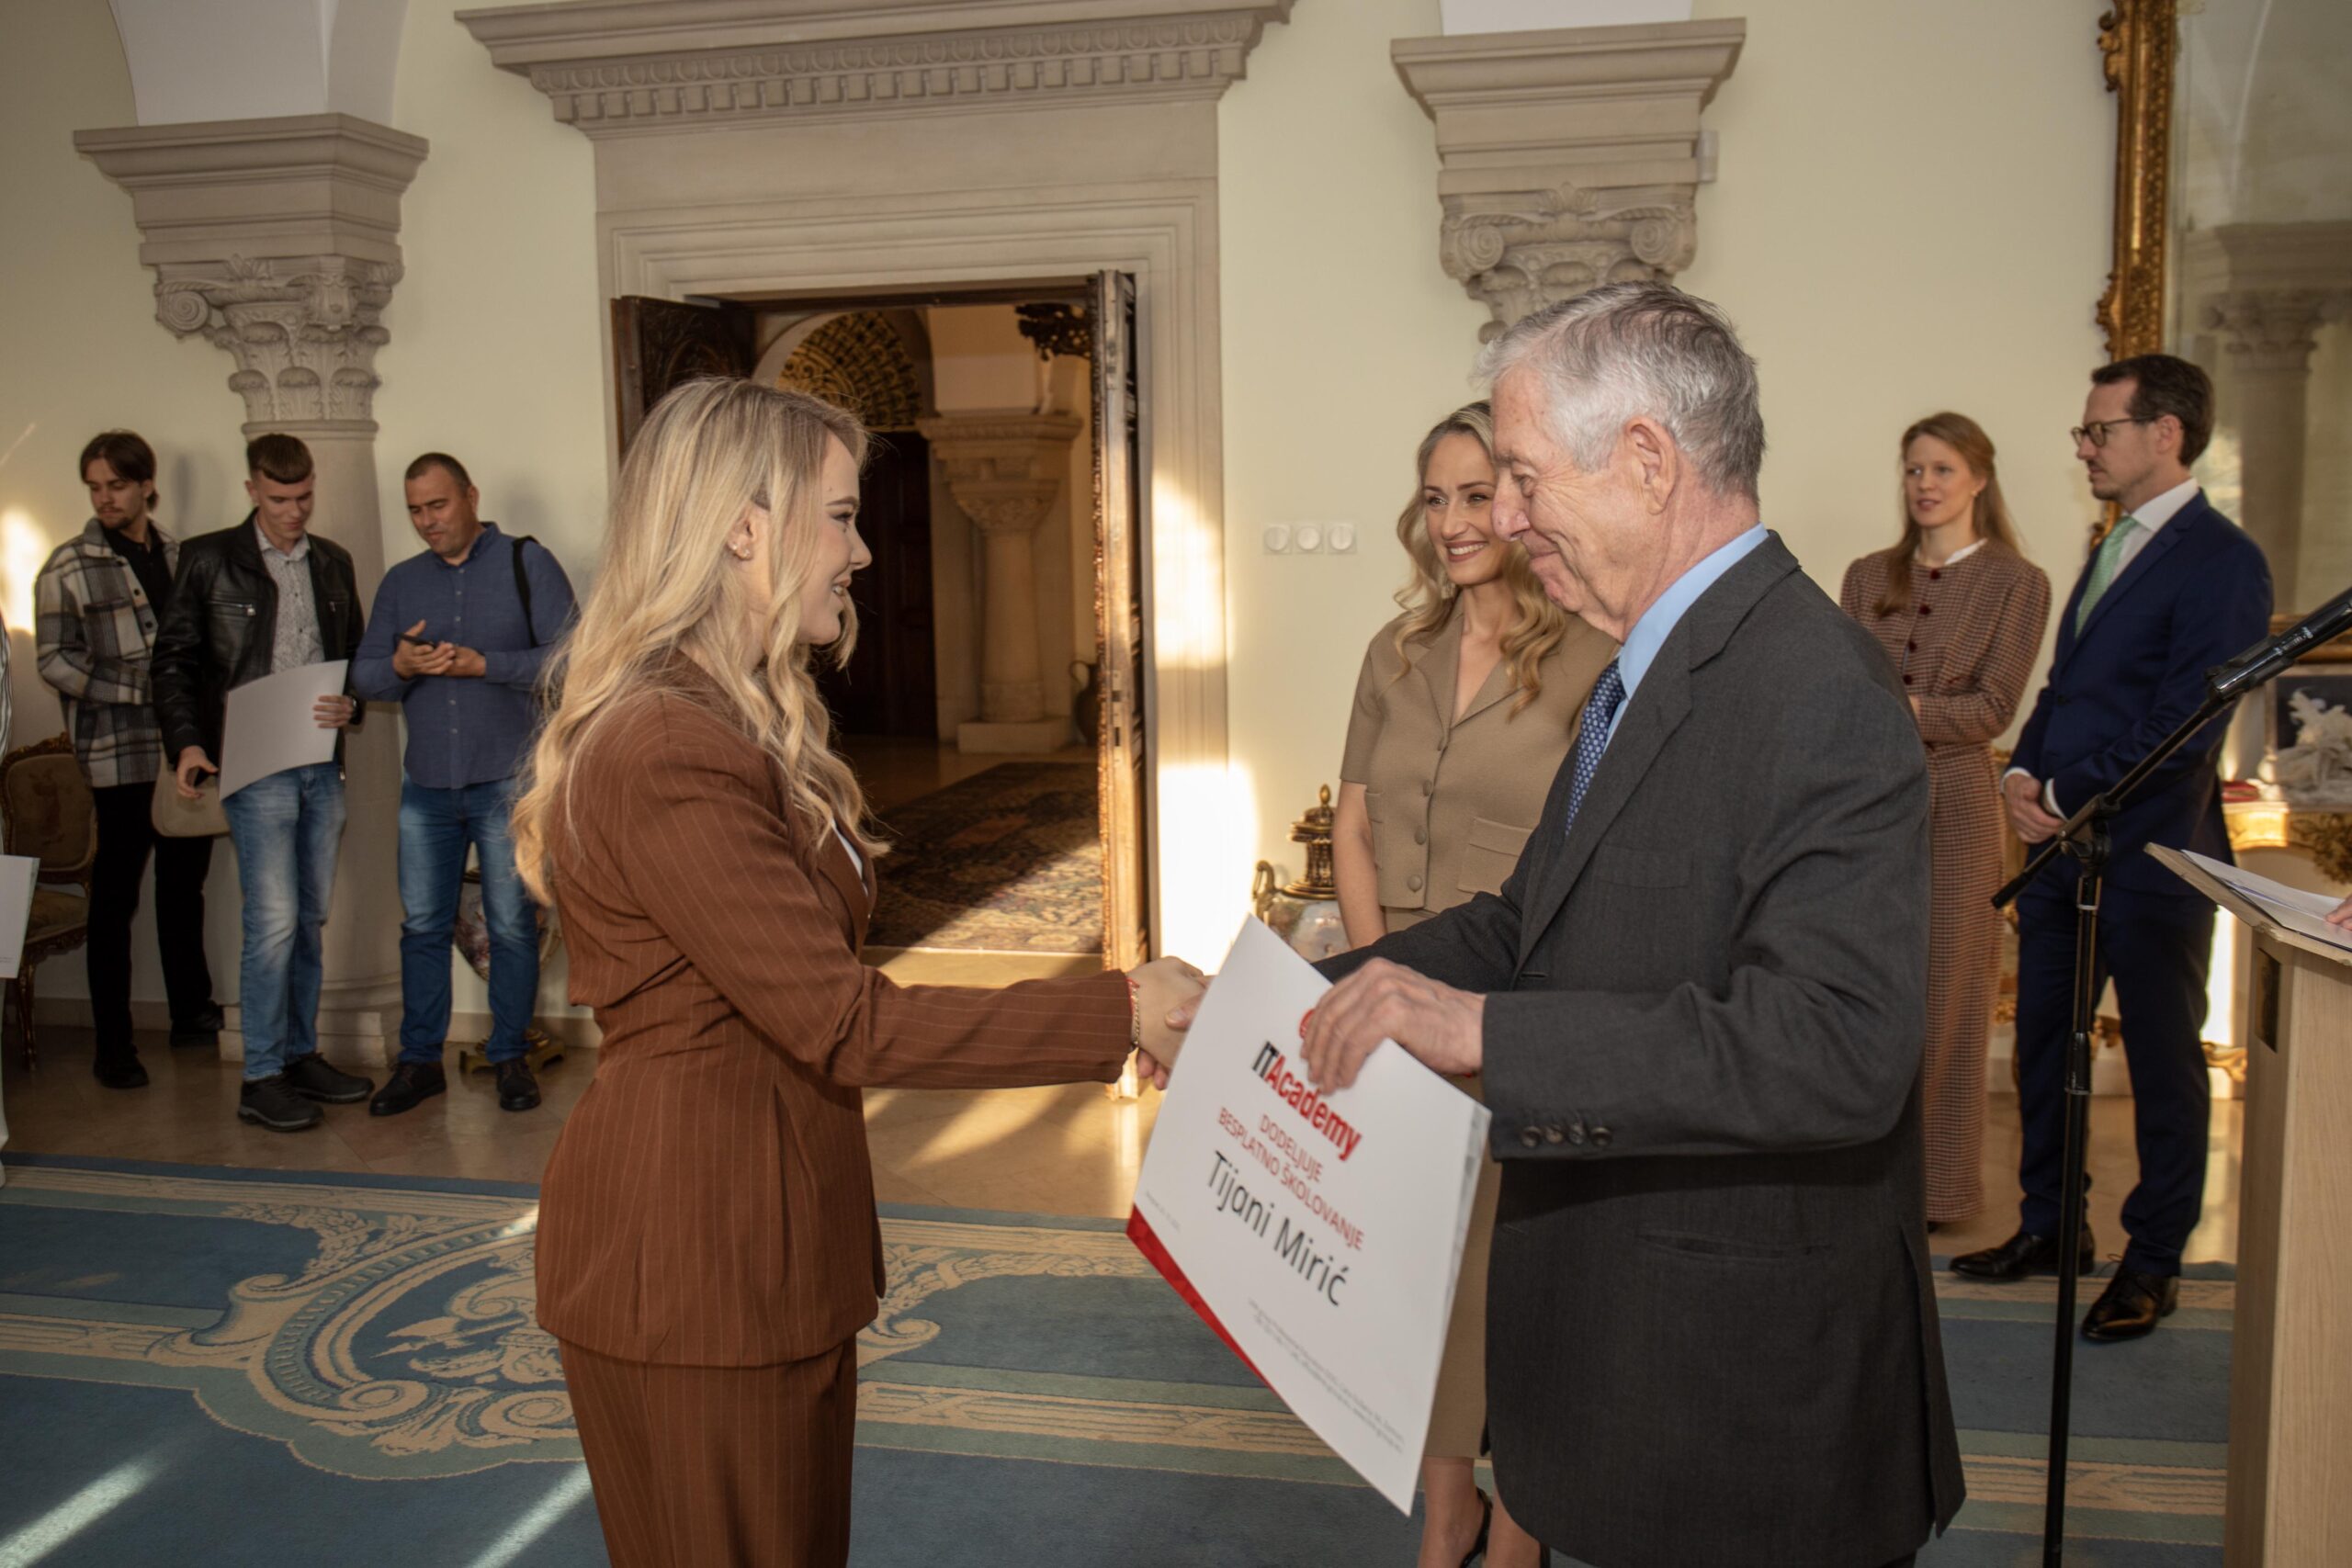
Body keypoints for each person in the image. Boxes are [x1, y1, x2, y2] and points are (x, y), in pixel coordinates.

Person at [1271, 283, 1963, 1566]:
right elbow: (1524, 925)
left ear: (1648, 461)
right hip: (1642, 1350)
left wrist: (1489, 1037)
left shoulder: (1815, 684)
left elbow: (1837, 1044)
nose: (1509, 516)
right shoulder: (1647, 667)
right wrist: (1284, 996)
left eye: (1527, 477)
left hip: (1747, 1397)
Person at [510, 378, 1201, 1568]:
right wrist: (1122, 1005)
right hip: (694, 1247)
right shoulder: (667, 738)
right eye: (839, 515)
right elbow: (843, 1020)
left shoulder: (739, 715)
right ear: (743, 525)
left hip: (768, 1234)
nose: (865, 550)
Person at [1331, 400, 1611, 1568]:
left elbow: (1598, 863)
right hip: (1394, 985)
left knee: (1513, 1279)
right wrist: (1371, 981)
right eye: (1434, 497)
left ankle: (1524, 1528)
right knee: (1410, 1269)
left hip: (1515, 1009)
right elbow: (1350, 817)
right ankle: (1449, 1511)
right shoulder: (1393, 654)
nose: (1453, 521)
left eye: (1476, 493)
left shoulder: (1598, 659)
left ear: (1523, 500)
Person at [1956, 355, 2271, 1342]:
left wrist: (2063, 792)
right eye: (2085, 434)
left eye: (2099, 431)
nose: (2085, 447)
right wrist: (2020, 777)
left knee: (2165, 1066)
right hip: (2062, 860)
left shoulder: (2223, 560)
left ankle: (2152, 1259)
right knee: (2047, 1047)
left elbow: (2186, 721)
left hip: (2152, 856)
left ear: (2164, 434)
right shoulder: (2111, 545)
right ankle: (2052, 1228)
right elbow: (2063, 689)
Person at [1838, 413, 2050, 1227]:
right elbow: (1837, 685)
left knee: (1950, 997)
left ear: (1979, 479)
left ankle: (1939, 1191)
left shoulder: (2017, 583)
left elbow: (1991, 709)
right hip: (1862, 809)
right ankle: (1860, 1177)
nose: (1925, 484)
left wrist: (1894, 705)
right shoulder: (1867, 576)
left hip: (1958, 813)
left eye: (1942, 469)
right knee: (1863, 986)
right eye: (1914, 469)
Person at [152, 433, 373, 1133]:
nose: (293, 511)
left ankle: (301, 1054)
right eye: (279, 498)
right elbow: (175, 661)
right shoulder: (209, 558)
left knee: (308, 916)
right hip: (254, 763)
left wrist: (355, 704)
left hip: (320, 761)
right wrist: (187, 743)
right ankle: (261, 1075)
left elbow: (358, 663)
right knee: (272, 922)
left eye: (304, 496)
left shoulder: (333, 562)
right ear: (252, 489)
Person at [352, 453, 576, 1118]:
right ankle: (418, 1061)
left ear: (471, 496)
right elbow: (365, 679)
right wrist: (397, 662)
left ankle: (511, 1054)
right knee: (422, 926)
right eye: (416, 510)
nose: (426, 521)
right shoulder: (400, 582)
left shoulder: (527, 563)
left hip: (507, 778)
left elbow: (572, 660)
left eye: (438, 506)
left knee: (510, 925)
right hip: (426, 783)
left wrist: (487, 664)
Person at [36, 431, 225, 1089]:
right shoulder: (67, 564)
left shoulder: (181, 556)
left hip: (182, 752)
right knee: (114, 901)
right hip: (116, 757)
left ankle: (190, 1013)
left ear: (146, 485)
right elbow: (54, 659)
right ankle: (113, 1044)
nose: (104, 497)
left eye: (116, 484)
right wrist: (140, 690)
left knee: (184, 888)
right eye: (95, 486)